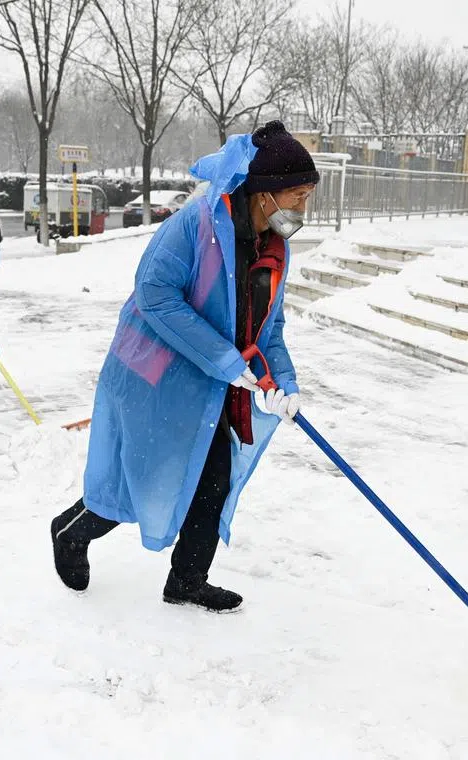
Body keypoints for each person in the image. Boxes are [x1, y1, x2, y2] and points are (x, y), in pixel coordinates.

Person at [50, 121, 318, 612]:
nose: (302, 208)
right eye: (296, 196)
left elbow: (270, 327)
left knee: (212, 475)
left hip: (212, 383)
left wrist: (285, 382)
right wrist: (224, 359)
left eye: (307, 196)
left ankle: (188, 580)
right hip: (154, 377)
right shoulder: (194, 226)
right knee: (143, 476)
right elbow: (154, 295)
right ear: (264, 194)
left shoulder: (274, 248)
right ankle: (70, 532)